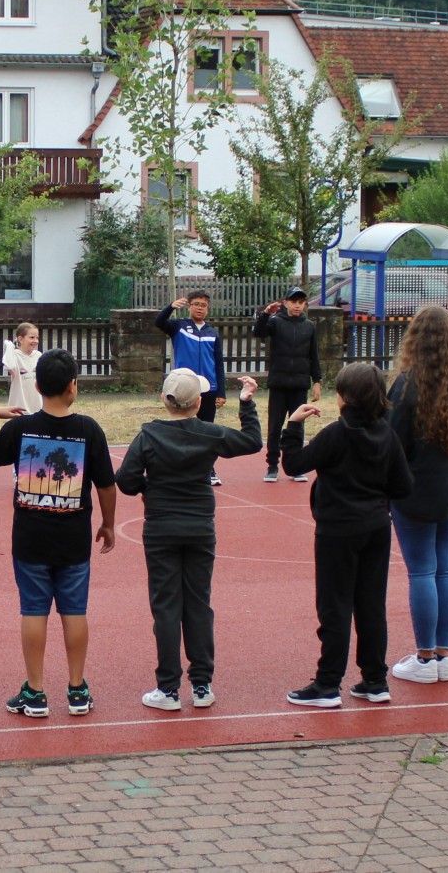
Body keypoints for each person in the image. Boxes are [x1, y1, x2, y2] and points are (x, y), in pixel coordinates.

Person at [0, 349, 117, 720]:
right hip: (74, 538)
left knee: (33, 610)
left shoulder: (20, 429)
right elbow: (107, 485)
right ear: (73, 387)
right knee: (74, 610)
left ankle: (35, 691)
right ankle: (77, 687)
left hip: (30, 538)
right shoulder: (89, 430)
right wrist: (109, 523)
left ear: (35, 386)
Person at [115, 369, 260, 711]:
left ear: (165, 400)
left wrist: (148, 488)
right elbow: (253, 441)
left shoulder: (149, 435)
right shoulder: (209, 434)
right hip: (199, 527)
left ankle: (167, 689)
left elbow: (125, 480)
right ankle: (202, 684)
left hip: (161, 526)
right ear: (198, 402)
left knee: (166, 606)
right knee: (198, 604)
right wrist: (247, 404)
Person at [282, 363, 414, 708]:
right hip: (375, 526)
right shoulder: (387, 433)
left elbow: (294, 464)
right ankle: (374, 679)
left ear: (343, 397)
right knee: (371, 605)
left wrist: (293, 425)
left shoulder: (336, 434)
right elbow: (403, 485)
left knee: (335, 607)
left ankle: (328, 684)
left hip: (338, 530)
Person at [386, 300, 448, 685]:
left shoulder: (406, 384)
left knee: (423, 571)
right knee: (445, 569)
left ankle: (426, 658)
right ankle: (442, 655)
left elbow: (393, 444)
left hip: (416, 492)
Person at [156, 290, 226, 483]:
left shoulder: (212, 333)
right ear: (189, 306)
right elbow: (159, 322)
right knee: (183, 427)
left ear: (208, 308)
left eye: (203, 305)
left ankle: (208, 469)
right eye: (196, 304)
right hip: (184, 386)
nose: (199, 308)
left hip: (208, 388)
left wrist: (221, 391)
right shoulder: (179, 327)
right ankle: (181, 467)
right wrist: (170, 307)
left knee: (206, 429)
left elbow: (218, 363)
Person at [252, 289, 321, 483]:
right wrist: (266, 314)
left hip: (300, 384)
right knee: (275, 426)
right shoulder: (275, 321)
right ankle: (272, 465)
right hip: (279, 383)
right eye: (294, 301)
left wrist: (317, 381)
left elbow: (313, 356)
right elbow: (259, 332)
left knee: (297, 425)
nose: (298, 305)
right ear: (286, 303)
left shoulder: (309, 326)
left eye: (301, 302)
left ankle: (296, 466)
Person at [3, 322, 44, 416]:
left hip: (38, 407)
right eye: (32, 337)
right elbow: (9, 366)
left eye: (37, 338)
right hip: (19, 408)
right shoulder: (14, 355)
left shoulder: (38, 356)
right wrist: (9, 347)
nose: (36, 341)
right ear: (21, 339)